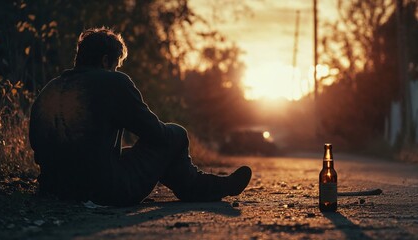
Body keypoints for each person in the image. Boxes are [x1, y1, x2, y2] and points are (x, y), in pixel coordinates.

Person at [29, 27, 252, 206]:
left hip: (54, 190)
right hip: (103, 191)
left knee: (130, 154)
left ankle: (203, 186)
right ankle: (205, 188)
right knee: (175, 134)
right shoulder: (112, 82)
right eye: (116, 65)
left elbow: (40, 147)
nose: (116, 70)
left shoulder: (50, 88)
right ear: (107, 61)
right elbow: (155, 133)